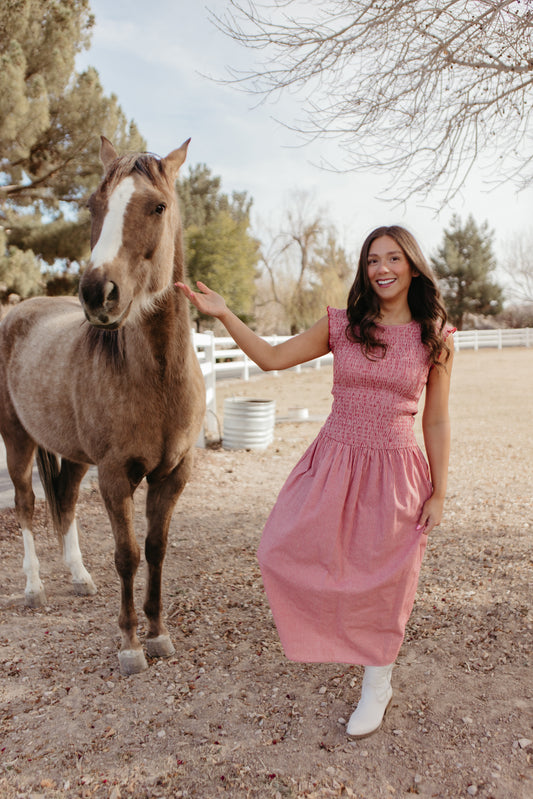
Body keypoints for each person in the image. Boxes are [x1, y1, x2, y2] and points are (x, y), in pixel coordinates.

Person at [176, 225, 454, 739]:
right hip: (333, 461)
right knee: (277, 549)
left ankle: (378, 681)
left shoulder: (433, 336)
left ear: (413, 267)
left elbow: (436, 419)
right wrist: (225, 314)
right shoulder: (342, 324)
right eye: (372, 259)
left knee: (386, 579)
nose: (382, 268)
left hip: (396, 470)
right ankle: (337, 641)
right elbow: (271, 357)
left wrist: (439, 490)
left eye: (394, 258)